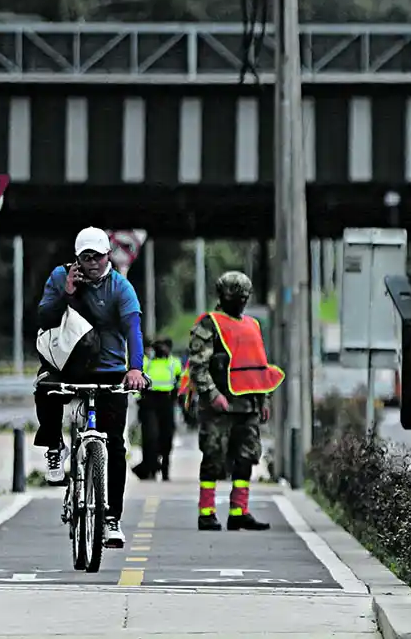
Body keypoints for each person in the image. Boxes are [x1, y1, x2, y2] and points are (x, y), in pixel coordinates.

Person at [33, 226, 149, 548]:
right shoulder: (61, 276)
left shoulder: (121, 288)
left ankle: (111, 519)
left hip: (110, 372)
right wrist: (67, 293)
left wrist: (135, 368)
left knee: (115, 446)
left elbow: (134, 329)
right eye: (85, 257)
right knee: (45, 388)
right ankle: (55, 448)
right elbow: (44, 318)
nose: (92, 263)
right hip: (68, 364)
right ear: (77, 258)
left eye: (97, 256)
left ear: (107, 255)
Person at [188, 270, 284, 531]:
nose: (240, 302)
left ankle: (239, 511)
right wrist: (212, 394)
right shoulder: (209, 324)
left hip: (248, 406)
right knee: (213, 458)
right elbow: (198, 366)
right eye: (236, 297)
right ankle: (206, 512)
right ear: (223, 296)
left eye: (244, 298)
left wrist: (263, 400)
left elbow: (258, 366)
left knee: (246, 459)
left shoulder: (253, 325)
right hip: (219, 406)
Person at [133, 336, 182, 481]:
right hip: (149, 402)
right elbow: (138, 382)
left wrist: (180, 401)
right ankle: (150, 469)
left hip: (166, 402)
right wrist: (139, 400)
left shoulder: (174, 363)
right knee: (150, 437)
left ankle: (165, 469)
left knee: (166, 437)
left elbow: (180, 383)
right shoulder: (146, 363)